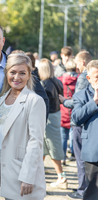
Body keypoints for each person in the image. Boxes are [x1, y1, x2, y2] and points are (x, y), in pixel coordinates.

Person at [0, 53, 46, 200]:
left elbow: (36, 141)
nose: (17, 77)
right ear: (6, 73)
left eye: (22, 73)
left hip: (23, 172)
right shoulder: (2, 98)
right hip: (6, 170)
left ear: (29, 75)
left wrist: (28, 177)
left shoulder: (35, 101)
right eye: (13, 72)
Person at [0, 22, 49, 119]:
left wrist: (33, 128)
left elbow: (42, 99)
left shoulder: (19, 65)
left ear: (3, 41)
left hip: (12, 130)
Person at [60, 51, 92, 199]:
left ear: (83, 63)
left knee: (81, 158)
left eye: (78, 63)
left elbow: (77, 100)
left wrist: (64, 101)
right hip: (88, 121)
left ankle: (82, 190)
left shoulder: (84, 77)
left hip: (80, 122)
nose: (77, 66)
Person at [38, 58, 67, 188]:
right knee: (44, 147)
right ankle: (38, 174)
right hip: (55, 114)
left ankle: (61, 176)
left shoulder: (43, 84)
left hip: (47, 117)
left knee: (51, 146)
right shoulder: (57, 81)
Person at [71, 60, 98, 200]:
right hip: (93, 152)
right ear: (88, 78)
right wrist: (94, 102)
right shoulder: (81, 95)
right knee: (92, 193)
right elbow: (76, 118)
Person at [58, 59, 78, 165]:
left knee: (63, 136)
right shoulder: (79, 80)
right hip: (74, 109)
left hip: (63, 109)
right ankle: (73, 153)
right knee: (72, 133)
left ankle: (62, 157)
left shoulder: (60, 79)